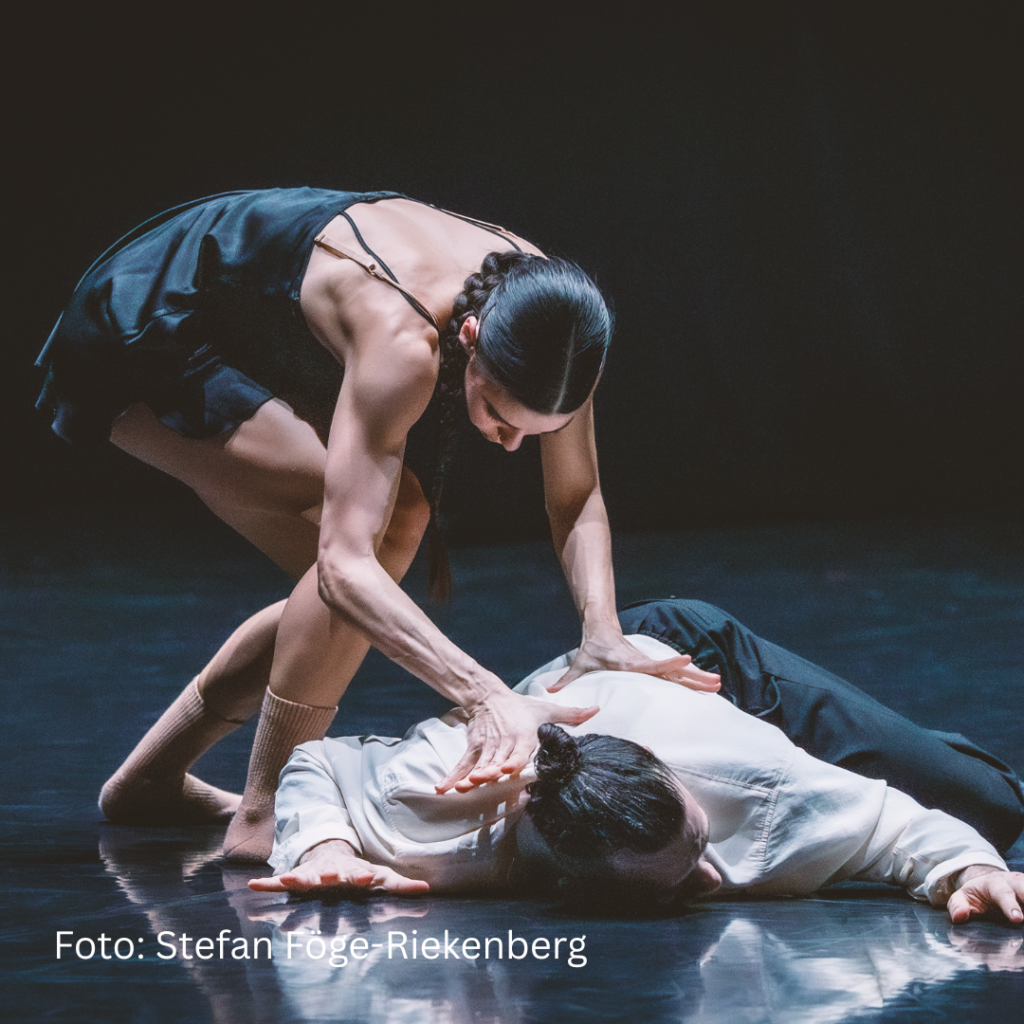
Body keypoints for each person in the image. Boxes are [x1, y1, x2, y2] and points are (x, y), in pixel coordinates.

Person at [35, 190, 720, 861]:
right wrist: (484, 696)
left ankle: (151, 782)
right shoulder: (402, 337)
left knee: (359, 585)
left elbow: (575, 492)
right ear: (471, 340)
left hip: (247, 318)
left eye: (536, 431)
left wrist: (601, 634)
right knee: (371, 555)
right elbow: (343, 569)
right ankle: (264, 813)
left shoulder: (557, 321)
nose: (512, 446)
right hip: (144, 325)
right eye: (499, 417)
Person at [249, 600, 1024, 924]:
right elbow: (321, 764)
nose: (711, 879)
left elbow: (894, 828)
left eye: (696, 846)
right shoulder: (438, 813)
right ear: (566, 884)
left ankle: (905, 744)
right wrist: (326, 849)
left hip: (690, 660)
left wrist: (970, 867)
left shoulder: (749, 782)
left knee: (989, 806)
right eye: (677, 888)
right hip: (601, 705)